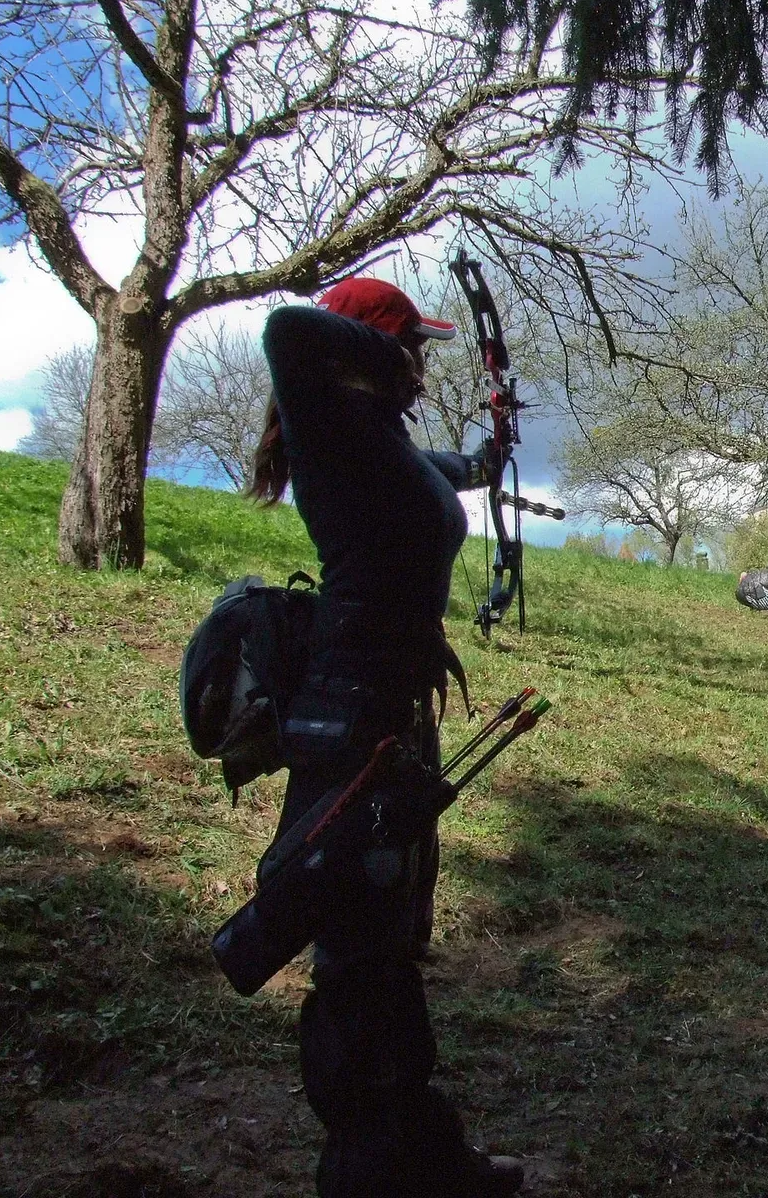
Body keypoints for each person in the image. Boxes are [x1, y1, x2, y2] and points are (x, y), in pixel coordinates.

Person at [246, 277, 525, 1197]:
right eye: (411, 348)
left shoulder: (379, 442)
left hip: (392, 716)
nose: (420, 368)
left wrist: (490, 453)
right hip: (350, 719)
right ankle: (365, 1168)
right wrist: (388, 348)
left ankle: (423, 1153)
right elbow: (288, 329)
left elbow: (450, 473)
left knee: (391, 937)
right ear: (366, 351)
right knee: (357, 945)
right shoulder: (331, 429)